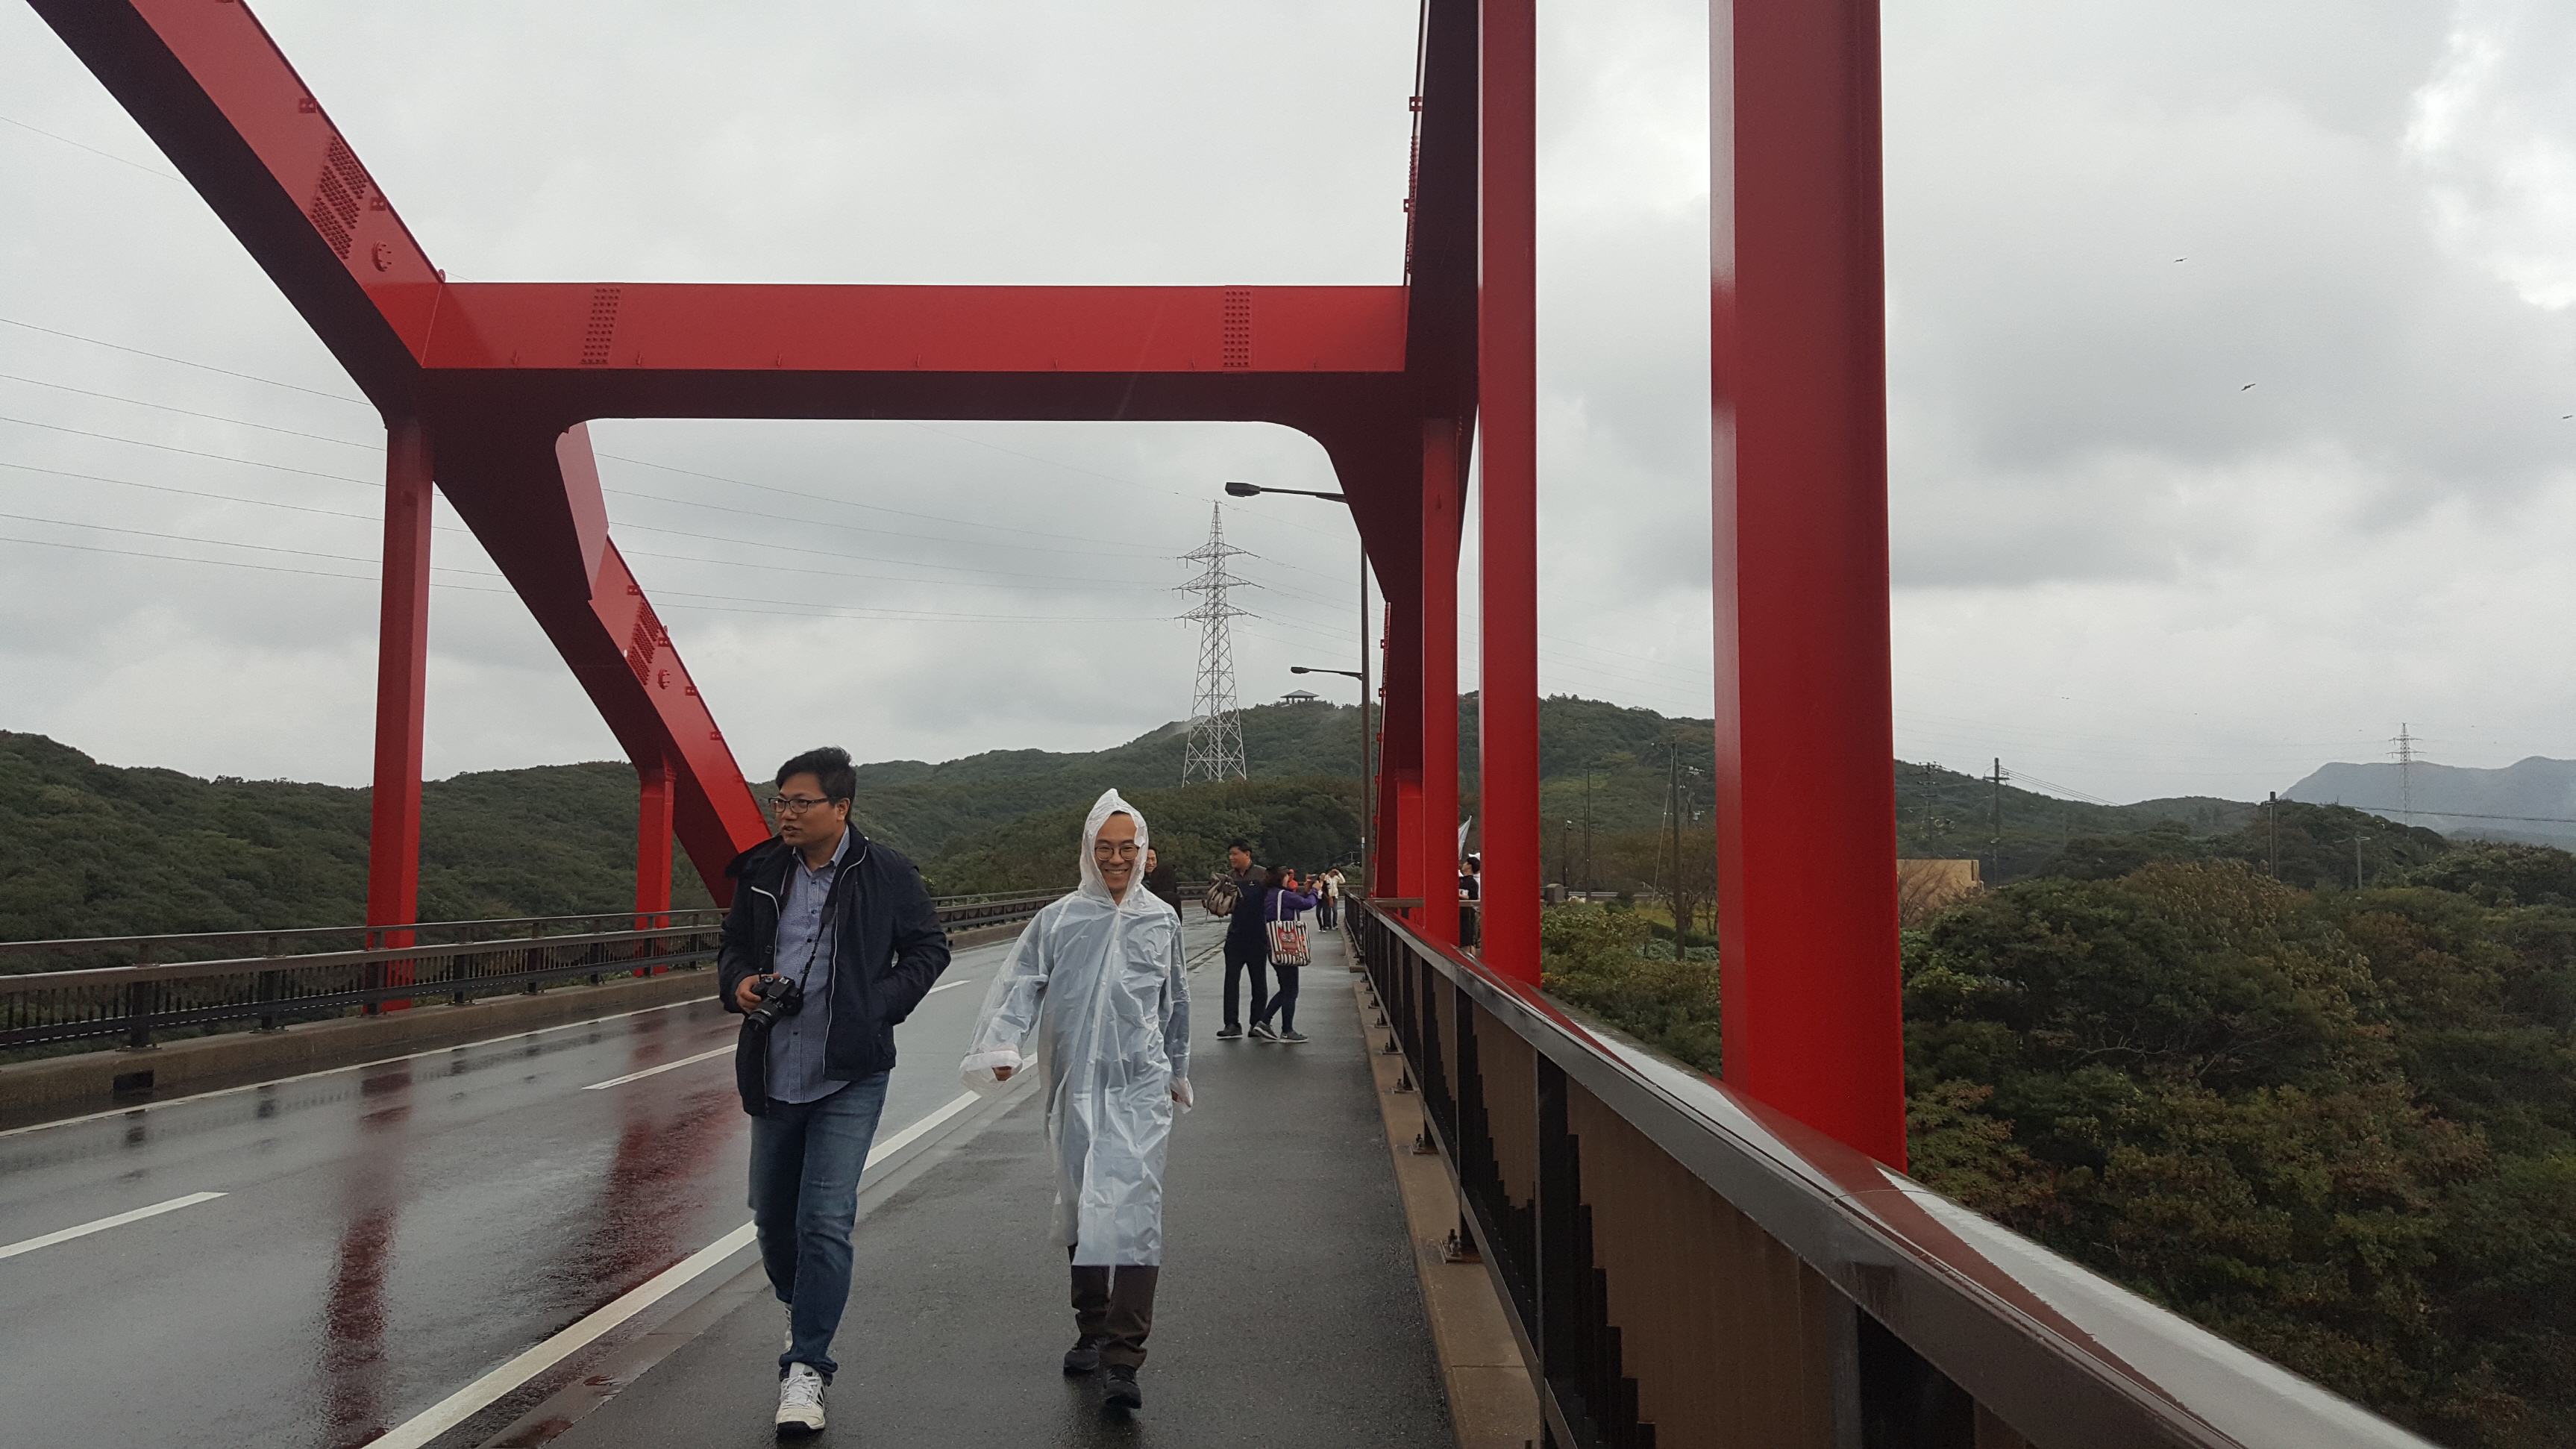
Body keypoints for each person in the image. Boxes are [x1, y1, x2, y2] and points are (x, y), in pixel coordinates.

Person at [718, 746, 951, 1436]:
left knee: (824, 1219)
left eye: (801, 802)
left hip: (849, 1072)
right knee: (772, 1221)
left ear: (840, 807)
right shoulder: (762, 871)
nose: (786, 814)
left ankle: (807, 1366)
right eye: (780, 801)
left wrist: (875, 1005)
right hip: (773, 1069)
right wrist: (740, 984)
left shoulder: (887, 872)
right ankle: (808, 1304)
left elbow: (928, 949)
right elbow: (732, 947)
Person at [959, 790, 1192, 1413]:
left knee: (1135, 1209)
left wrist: (1177, 1070)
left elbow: (1175, 1001)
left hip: (1139, 1083)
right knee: (1084, 1202)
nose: (1116, 858)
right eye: (1104, 847)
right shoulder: (1059, 920)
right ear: (1089, 851)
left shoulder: (1160, 920)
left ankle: (1124, 1354)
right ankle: (1091, 1324)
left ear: (1144, 851)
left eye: (1127, 848)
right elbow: (1019, 984)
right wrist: (1001, 1045)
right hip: (1074, 1084)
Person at [1250, 865, 1318, 1043]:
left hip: (1274, 947)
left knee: (1286, 988)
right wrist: (1316, 891)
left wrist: (1307, 890)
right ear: (1281, 879)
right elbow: (1307, 904)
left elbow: (1298, 901)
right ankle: (1286, 1030)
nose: (1289, 878)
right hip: (1287, 947)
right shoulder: (1284, 895)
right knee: (1291, 990)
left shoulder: (1273, 895)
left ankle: (1264, 1022)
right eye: (1287, 876)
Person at [1217, 839, 1271, 1041]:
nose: (1231, 858)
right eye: (1230, 854)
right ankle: (1231, 1023)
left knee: (1259, 982)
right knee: (1231, 982)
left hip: (1258, 936)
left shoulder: (1263, 875)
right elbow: (1221, 903)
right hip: (1235, 936)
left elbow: (1272, 902)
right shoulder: (1229, 878)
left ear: (1247, 854)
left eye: (1235, 854)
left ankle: (1257, 1022)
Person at [1141, 845, 1182, 916]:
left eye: (1153, 859)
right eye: (1146, 859)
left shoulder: (1164, 878)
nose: (1150, 863)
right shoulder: (1136, 885)